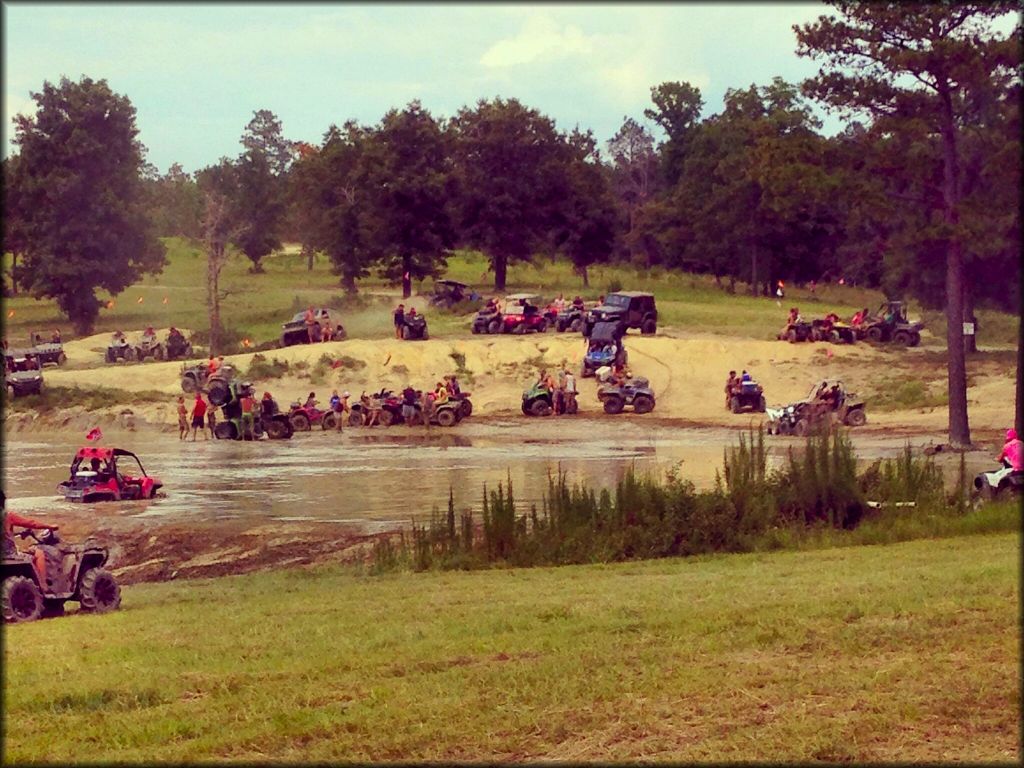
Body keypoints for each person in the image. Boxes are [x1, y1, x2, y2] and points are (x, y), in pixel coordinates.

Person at [2, 491, 59, 588]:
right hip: (9, 555)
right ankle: (43, 585)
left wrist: (18, 533)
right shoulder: (8, 516)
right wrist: (50, 526)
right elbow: (32, 523)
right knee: (39, 553)